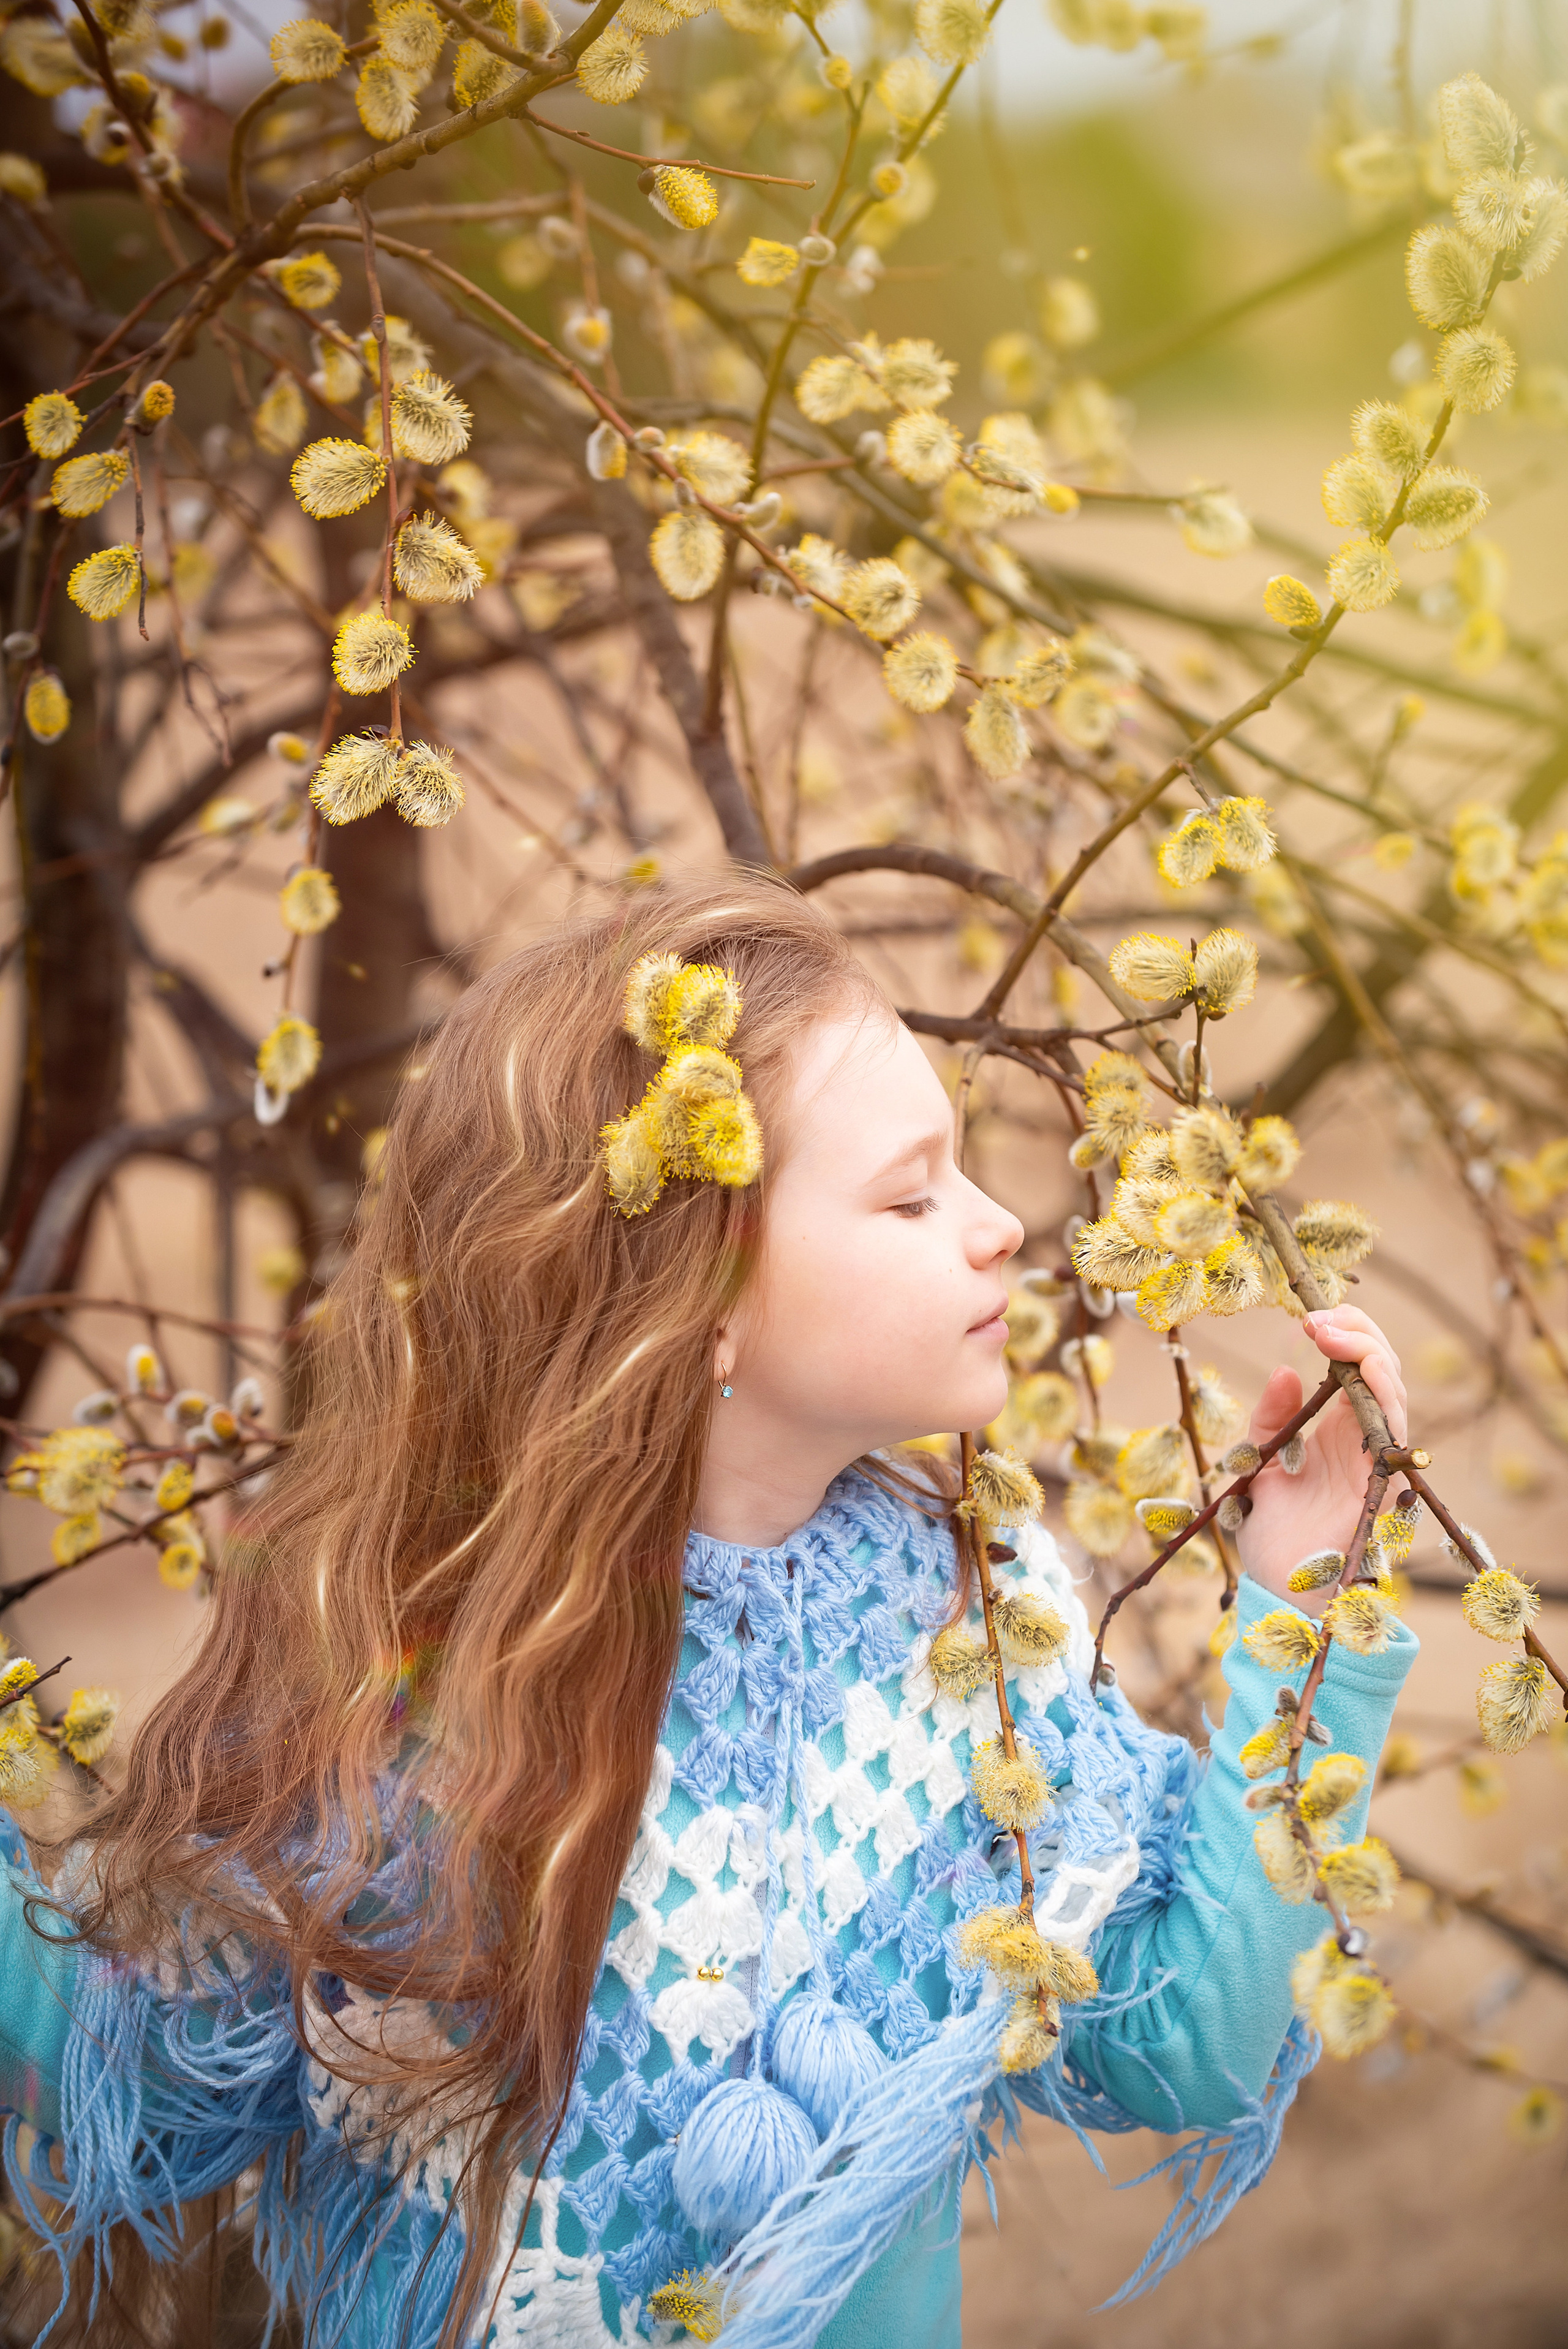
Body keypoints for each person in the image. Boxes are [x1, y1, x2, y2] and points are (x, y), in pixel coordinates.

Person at [0, 875, 1415, 2349]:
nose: (999, 1228)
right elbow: (143, 2065)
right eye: (910, 1193)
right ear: (703, 1300)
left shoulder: (966, 1630)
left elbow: (1187, 2043)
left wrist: (1301, 1603)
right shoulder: (422, 1671)